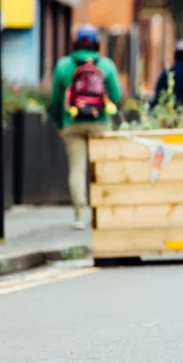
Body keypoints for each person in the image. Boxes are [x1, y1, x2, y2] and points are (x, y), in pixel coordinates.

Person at [49, 25, 122, 230]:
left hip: (72, 123)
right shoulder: (106, 65)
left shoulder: (64, 65)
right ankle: (102, 212)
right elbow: (117, 96)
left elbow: (55, 101)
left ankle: (80, 215)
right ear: (97, 43)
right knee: (101, 168)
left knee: (77, 169)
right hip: (99, 122)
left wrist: (60, 123)